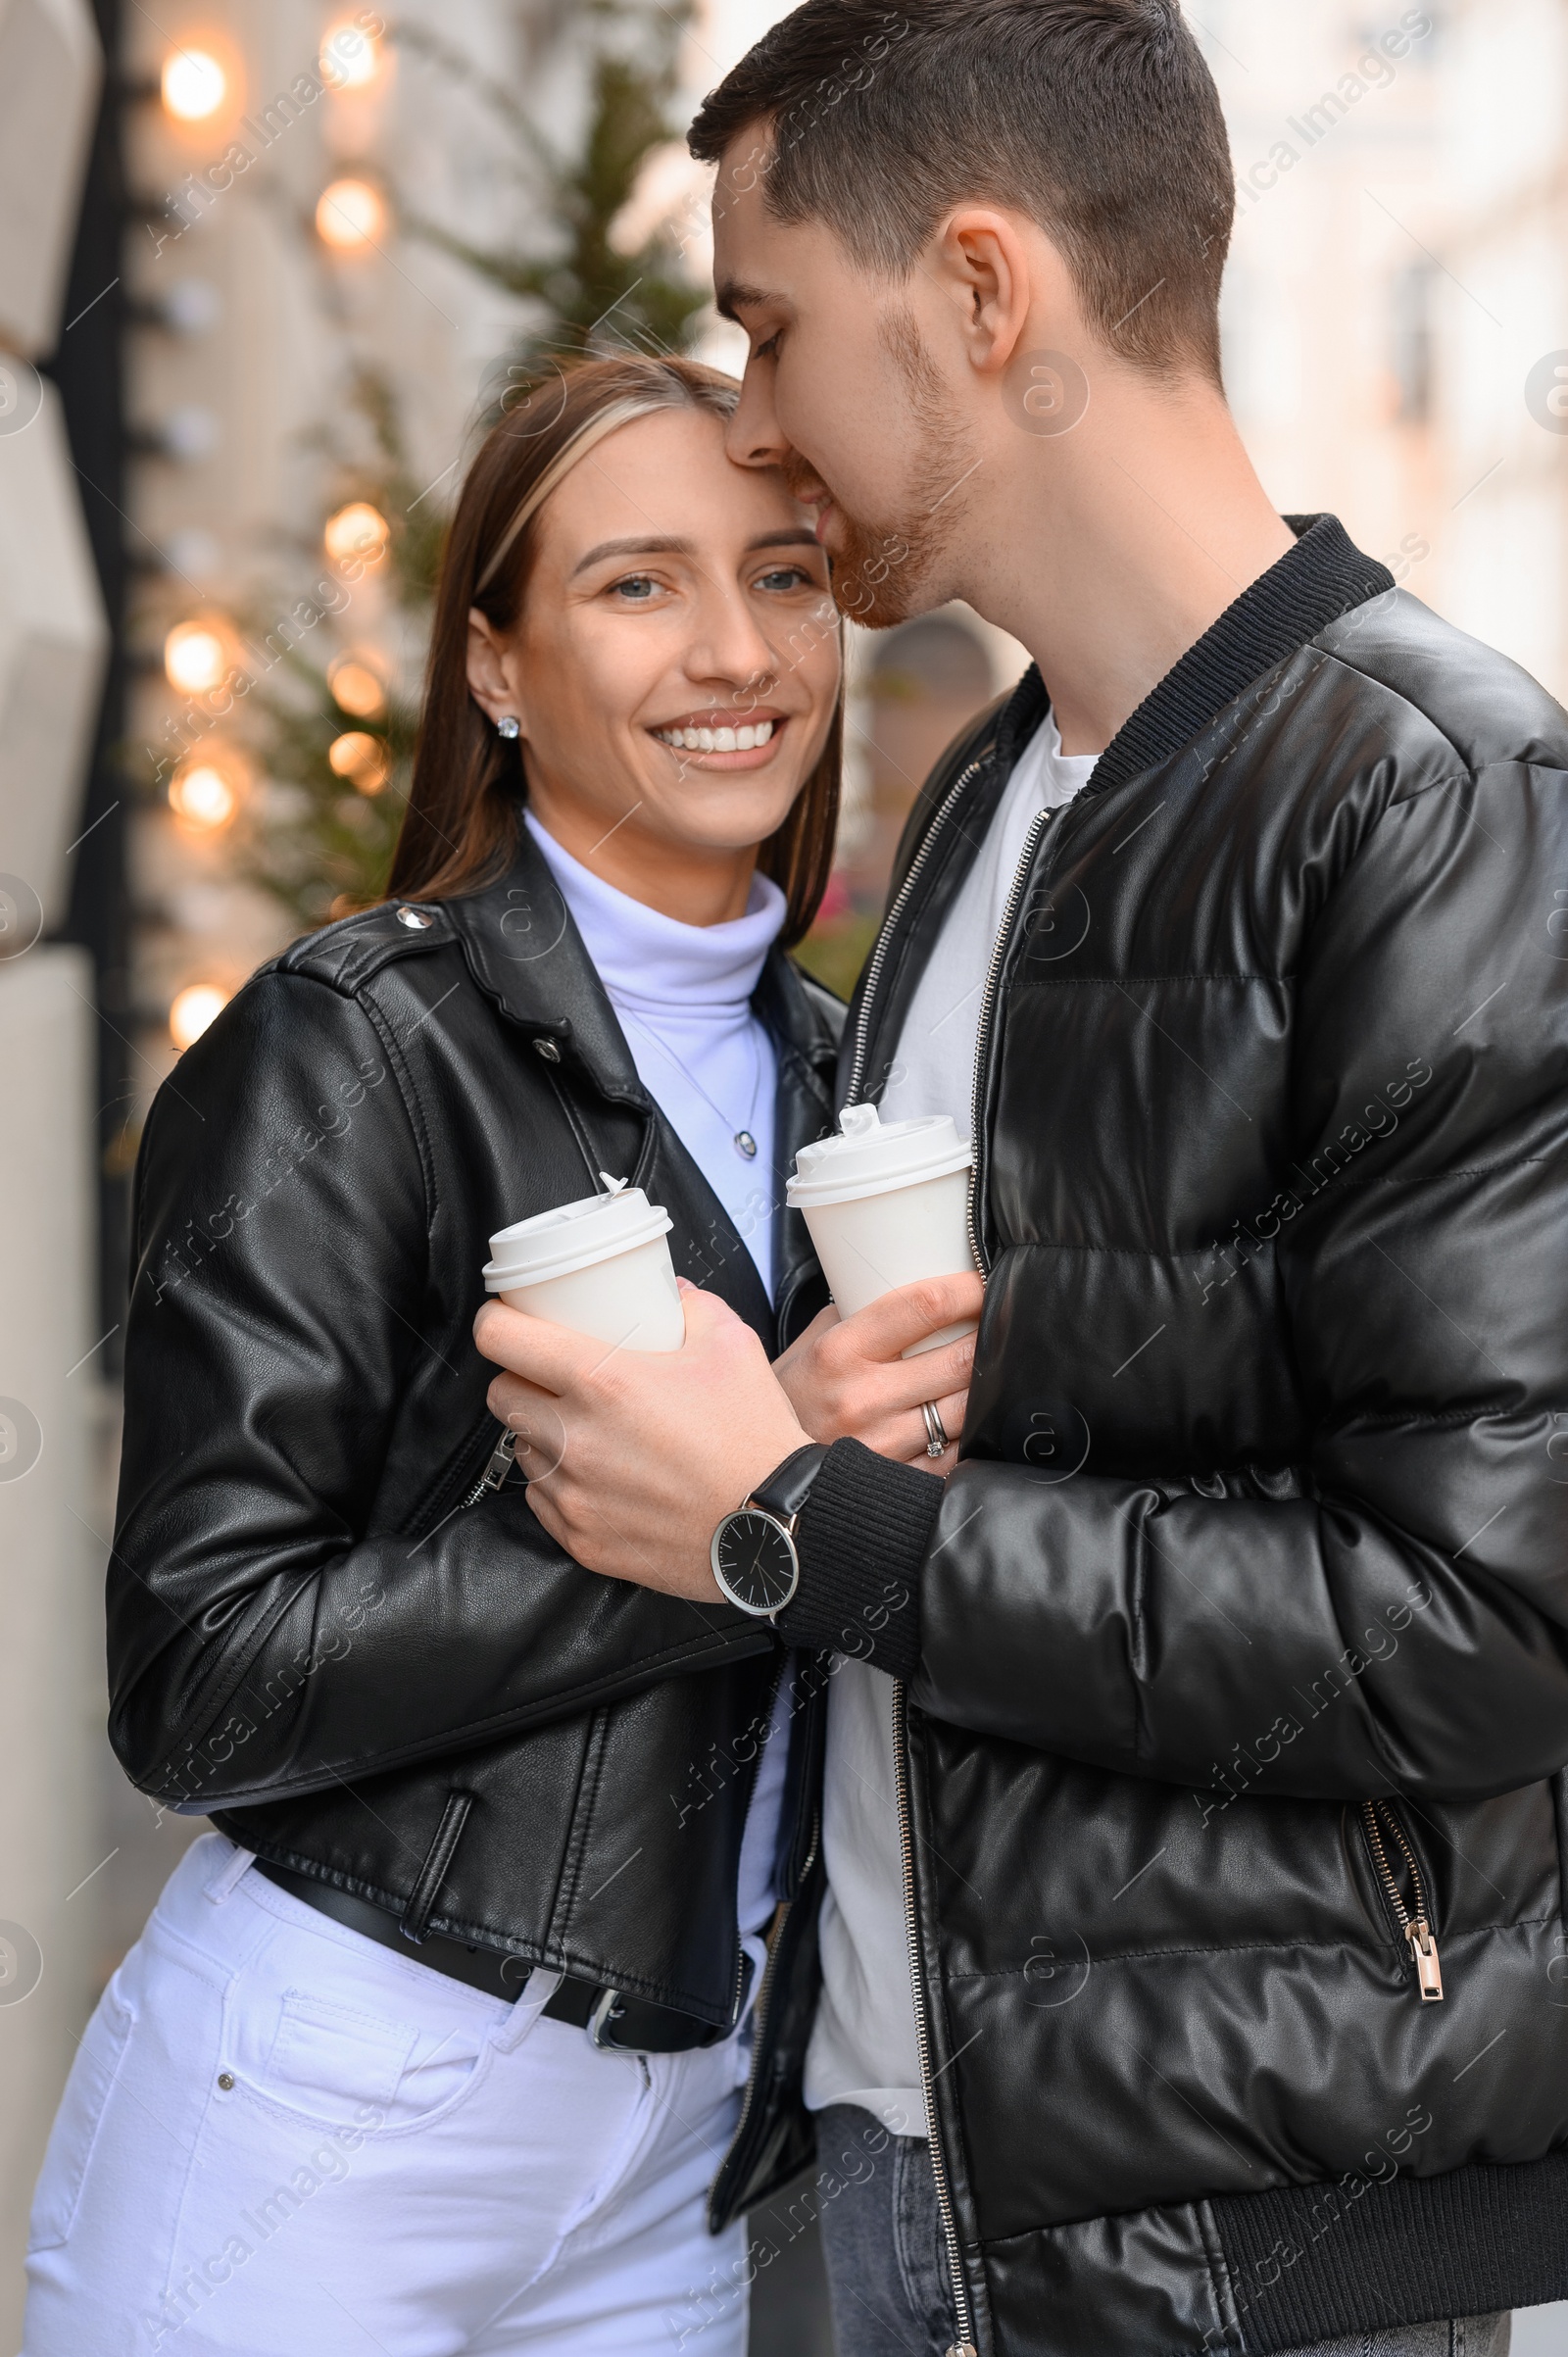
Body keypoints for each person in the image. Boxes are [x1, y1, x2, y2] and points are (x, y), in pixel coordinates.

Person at [473, 7, 1568, 2355]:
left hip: (1254, 2256)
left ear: (980, 294)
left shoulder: (1439, 799)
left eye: (767, 324)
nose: (746, 415)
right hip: (888, 2178)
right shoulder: (978, 796)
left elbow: (1480, 1638)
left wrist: (794, 1520)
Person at [24, 352, 978, 2355]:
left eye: (786, 575)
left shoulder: (850, 1086)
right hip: (332, 2102)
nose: (735, 651)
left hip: (677, 2137)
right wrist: (742, 1506)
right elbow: (203, 1684)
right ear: (494, 665)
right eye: (636, 585)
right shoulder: (351, 1048)